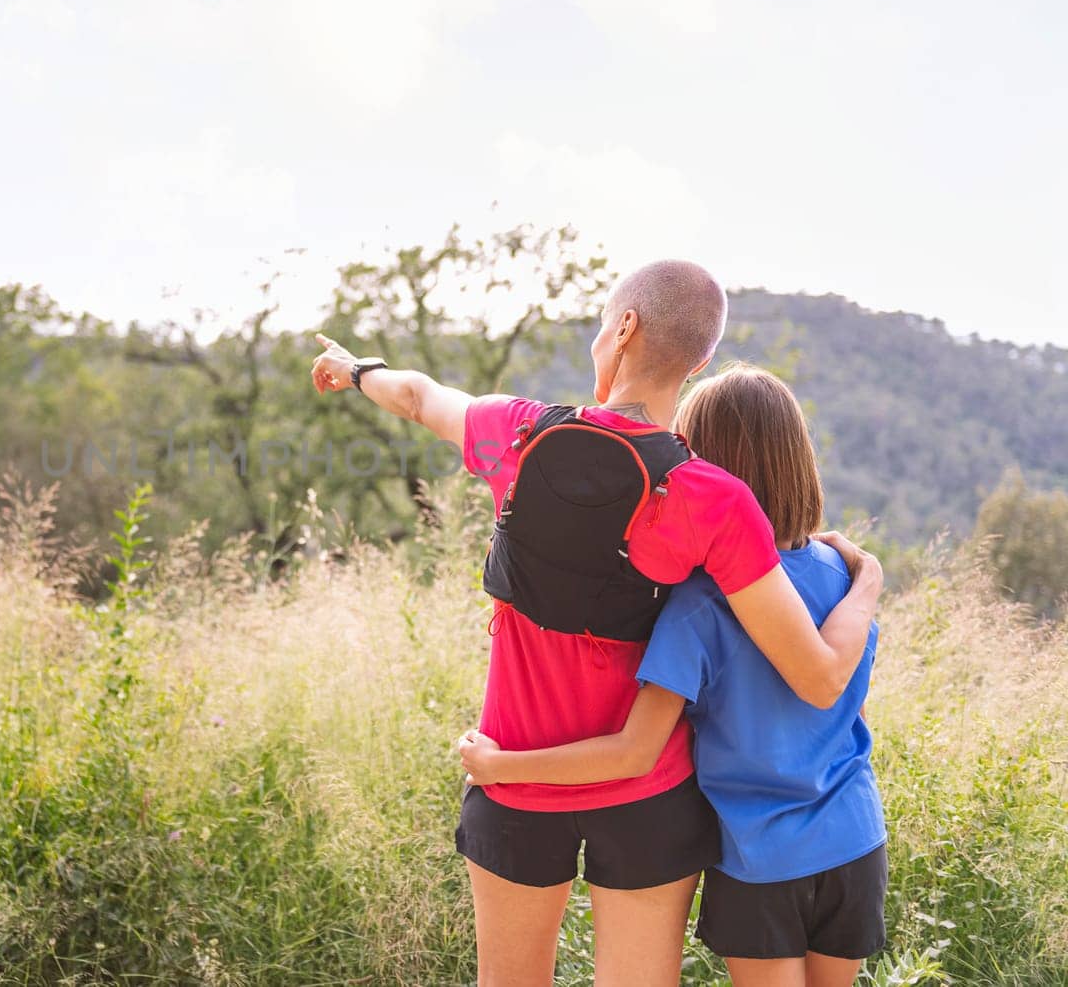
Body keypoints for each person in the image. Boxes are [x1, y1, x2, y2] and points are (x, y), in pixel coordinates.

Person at [308, 260, 883, 987]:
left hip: (513, 778)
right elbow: (819, 673)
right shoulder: (718, 499)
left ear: (624, 326)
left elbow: (420, 396)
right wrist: (868, 578)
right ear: (701, 360)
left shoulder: (517, 434)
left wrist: (356, 368)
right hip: (649, 795)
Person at [457, 364, 887, 986]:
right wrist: (870, 578)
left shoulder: (696, 606)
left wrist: (500, 767)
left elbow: (636, 749)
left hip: (762, 856)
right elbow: (851, 714)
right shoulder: (842, 578)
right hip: (854, 841)